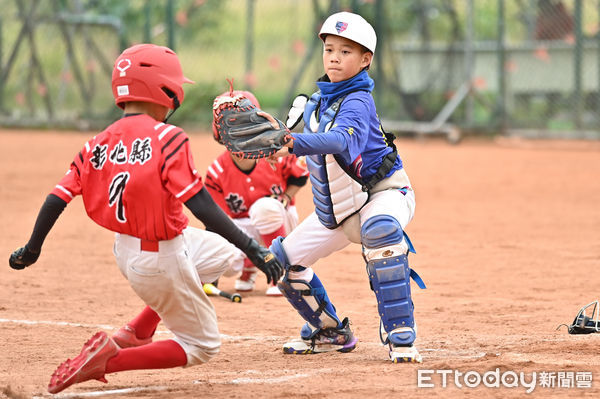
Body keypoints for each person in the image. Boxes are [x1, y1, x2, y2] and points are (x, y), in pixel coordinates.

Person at [7, 43, 283, 394]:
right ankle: (110, 359)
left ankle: (137, 331)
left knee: (223, 256)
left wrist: (32, 249)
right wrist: (255, 248)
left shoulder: (97, 142)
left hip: (129, 250)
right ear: (166, 89)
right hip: (160, 259)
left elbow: (55, 199)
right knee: (202, 347)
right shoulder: (168, 137)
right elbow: (201, 206)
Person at [269, 12, 426, 363]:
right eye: (329, 49)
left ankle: (401, 335)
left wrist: (292, 142)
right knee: (280, 264)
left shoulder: (358, 100)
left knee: (381, 231)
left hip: (383, 193)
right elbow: (296, 138)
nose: (335, 57)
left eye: (346, 51)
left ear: (366, 59)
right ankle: (330, 332)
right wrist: (272, 145)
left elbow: (340, 140)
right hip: (341, 209)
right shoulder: (315, 101)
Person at [205, 89, 309, 296]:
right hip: (244, 229)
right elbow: (214, 219)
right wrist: (208, 271)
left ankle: (280, 273)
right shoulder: (217, 172)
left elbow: (300, 175)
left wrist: (286, 197)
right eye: (232, 125)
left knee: (264, 208)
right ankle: (248, 266)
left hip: (280, 220)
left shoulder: (274, 151)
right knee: (220, 251)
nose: (239, 132)